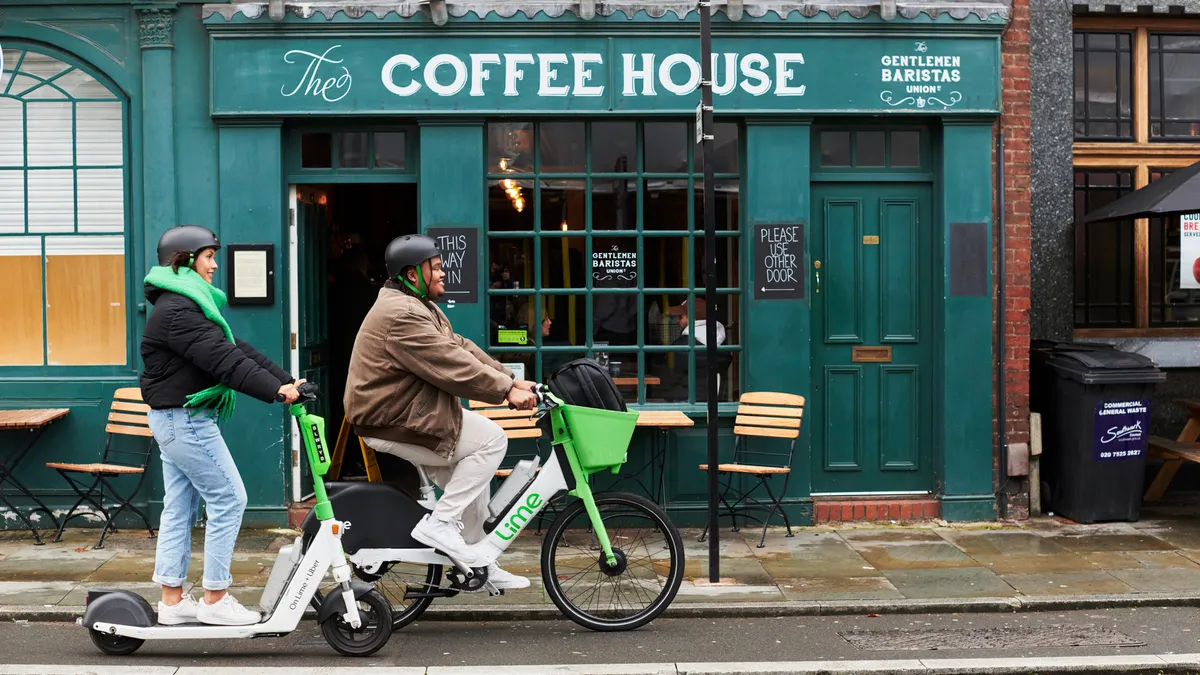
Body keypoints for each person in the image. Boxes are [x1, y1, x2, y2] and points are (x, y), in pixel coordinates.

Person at [344, 234, 537, 589]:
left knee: (474, 477)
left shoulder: (418, 305)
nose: (443, 273)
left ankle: (478, 560)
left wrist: (510, 378)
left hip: (412, 412)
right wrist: (505, 391)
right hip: (391, 419)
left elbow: (459, 346)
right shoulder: (401, 314)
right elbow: (450, 364)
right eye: (436, 268)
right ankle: (440, 525)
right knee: (491, 441)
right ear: (413, 275)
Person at [140, 225, 302, 626]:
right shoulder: (178, 312)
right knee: (229, 499)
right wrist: (276, 393)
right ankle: (215, 597)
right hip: (186, 421)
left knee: (180, 508)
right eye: (209, 256)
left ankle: (173, 600)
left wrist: (285, 380)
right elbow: (224, 363)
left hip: (176, 419)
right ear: (185, 259)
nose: (215, 265)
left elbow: (234, 349)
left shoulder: (185, 306)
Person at [655, 298, 731, 402]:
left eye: (681, 317)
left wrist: (666, 394)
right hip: (715, 399)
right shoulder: (723, 344)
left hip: (685, 399)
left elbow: (669, 376)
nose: (677, 321)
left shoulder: (682, 345)